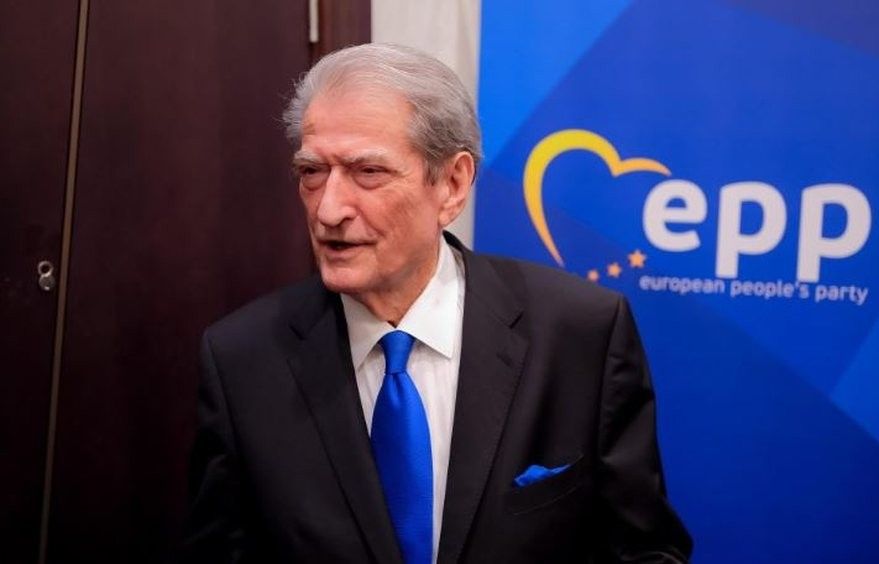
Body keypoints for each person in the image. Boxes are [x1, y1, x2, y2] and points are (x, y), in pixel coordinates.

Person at [181, 43, 692, 563]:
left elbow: (645, 552)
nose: (329, 210)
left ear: (452, 184)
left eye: (368, 172)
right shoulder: (243, 360)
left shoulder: (580, 334)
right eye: (312, 172)